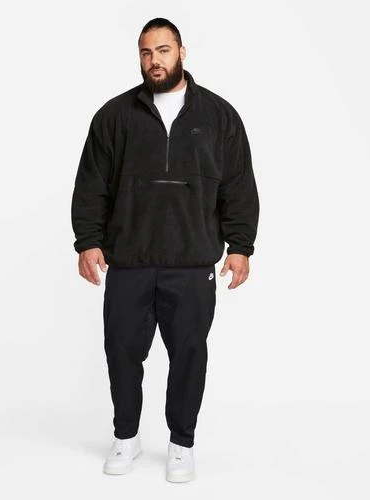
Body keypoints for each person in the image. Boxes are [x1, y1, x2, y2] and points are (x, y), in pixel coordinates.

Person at [71, 17, 260, 482]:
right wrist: (88, 240)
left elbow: (238, 184)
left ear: (181, 52)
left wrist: (240, 245)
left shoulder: (219, 116)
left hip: (193, 263)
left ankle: (181, 444)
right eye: (145, 52)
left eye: (163, 50)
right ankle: (126, 436)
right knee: (121, 352)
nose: (154, 60)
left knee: (189, 355)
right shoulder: (114, 116)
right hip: (129, 260)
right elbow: (92, 183)